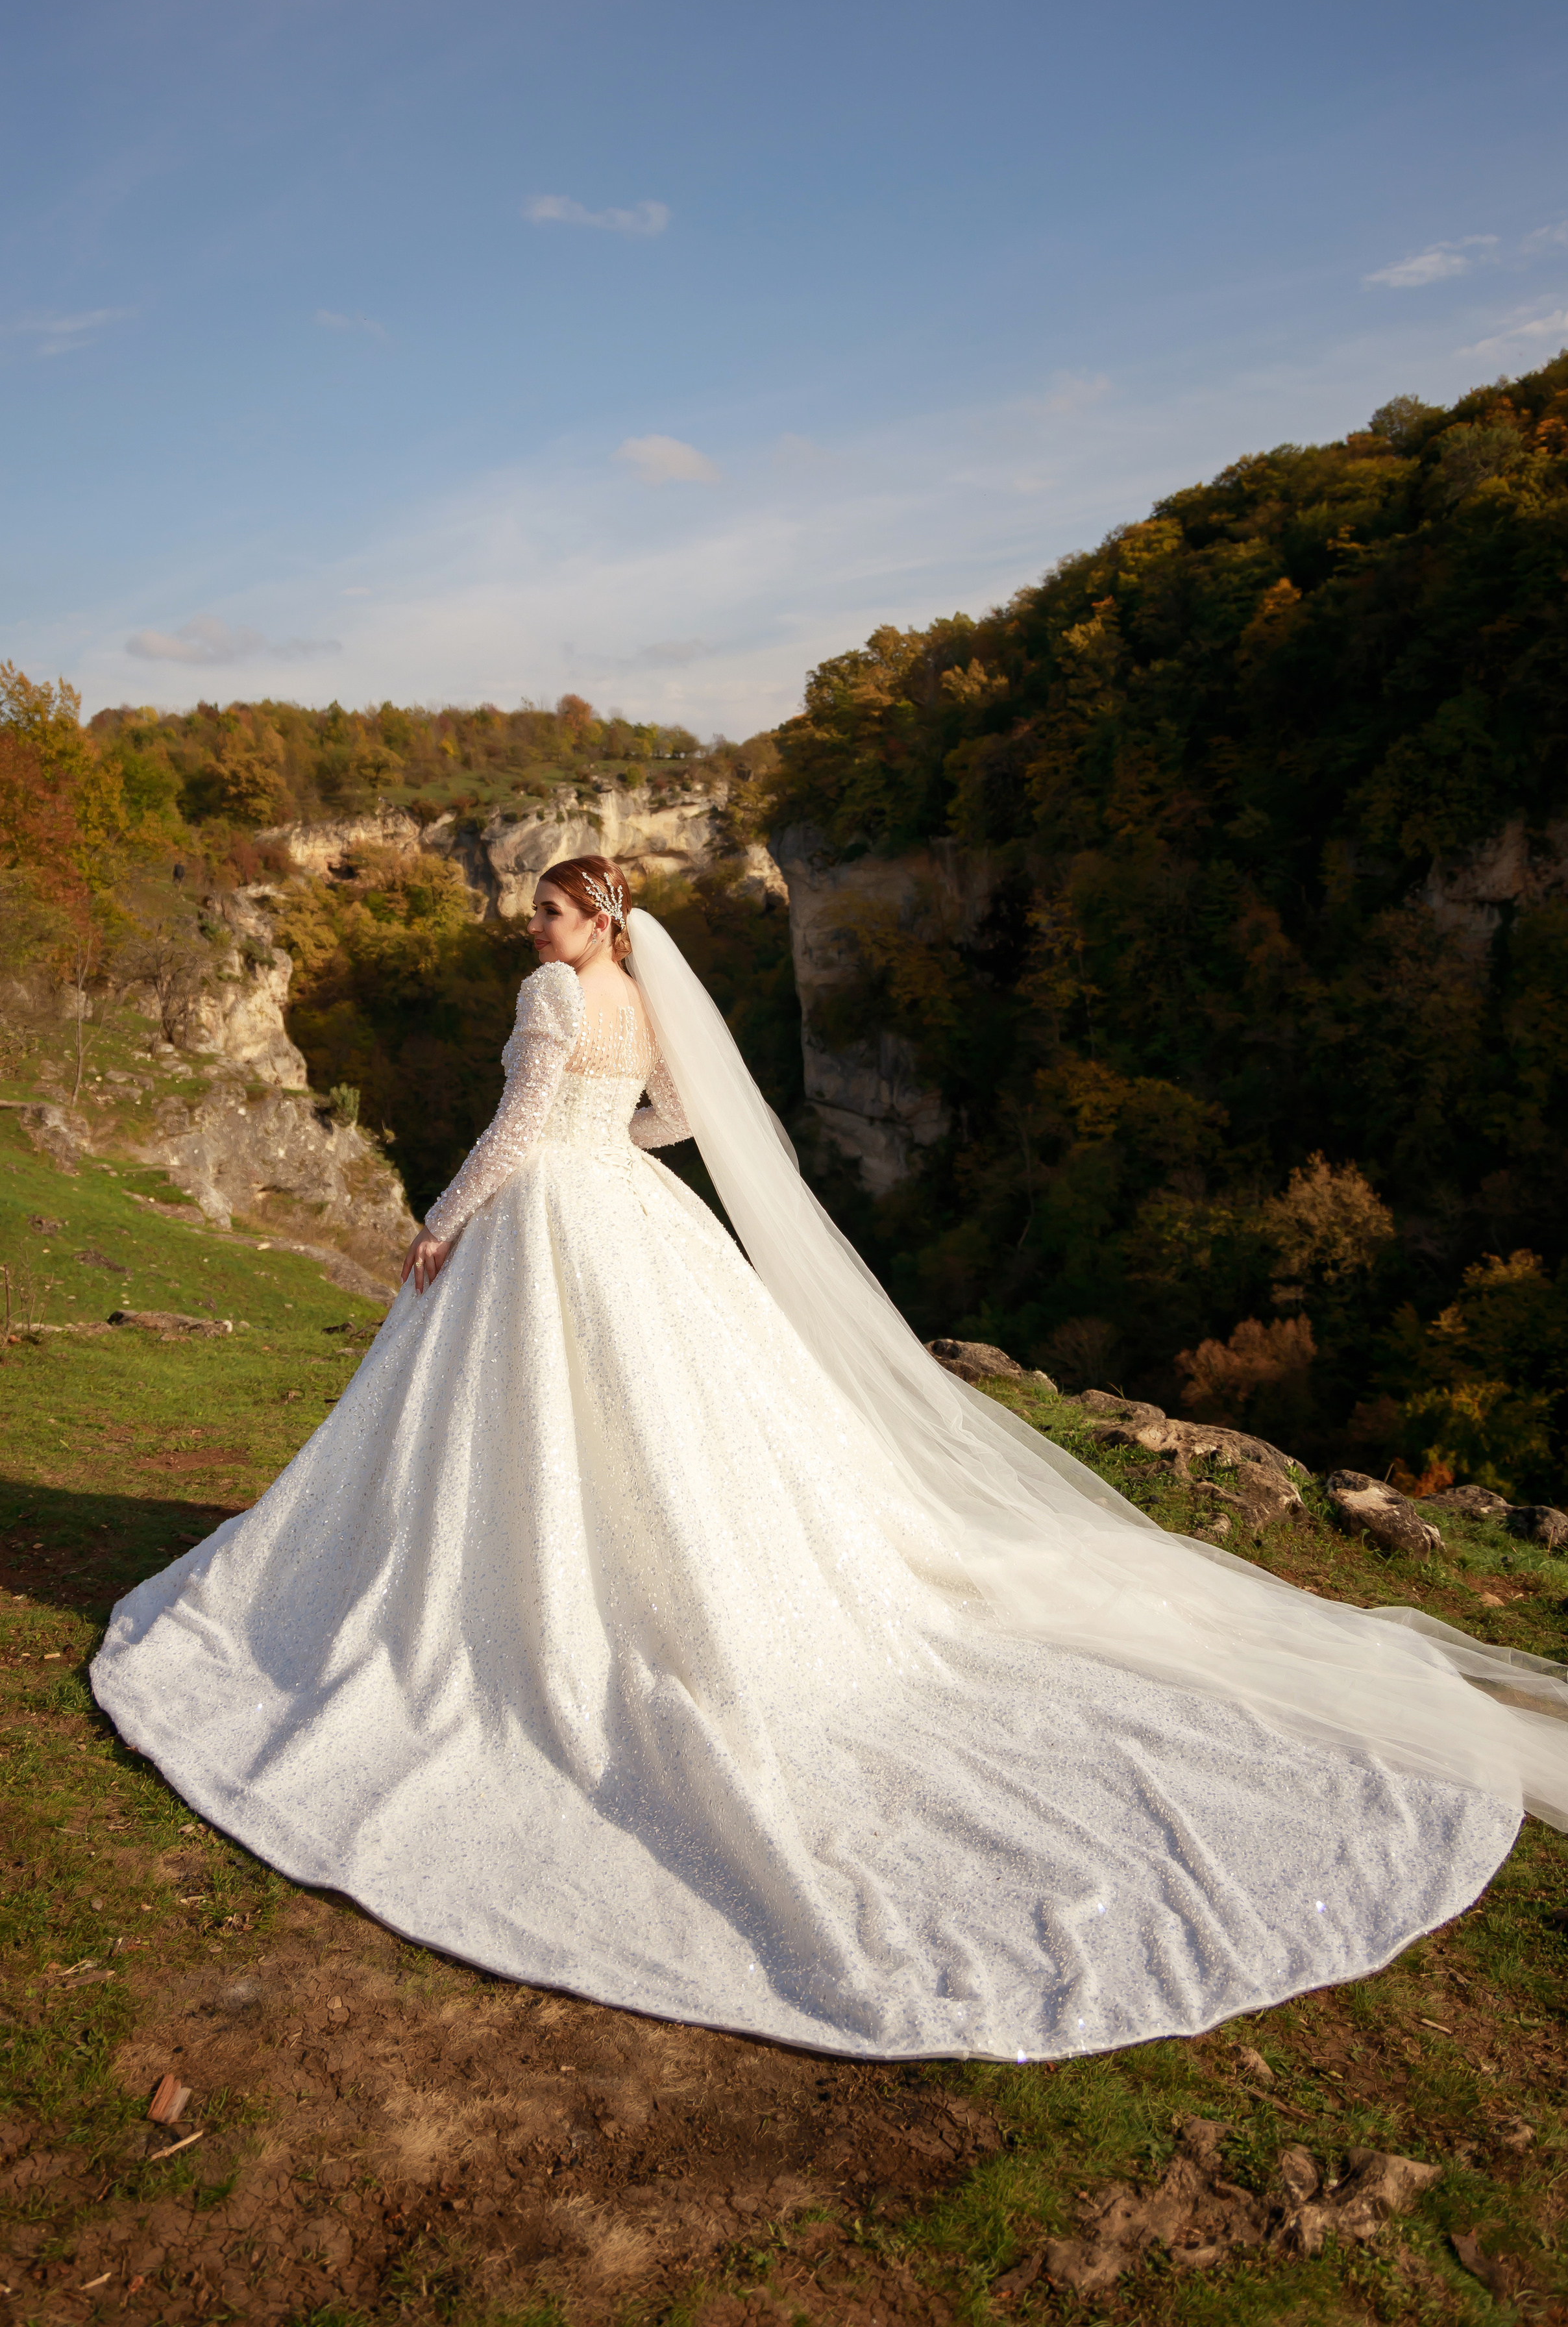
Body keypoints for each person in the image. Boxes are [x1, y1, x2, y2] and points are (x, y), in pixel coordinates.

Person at [93, 855, 1568, 2062]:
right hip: (637, 1219)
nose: (529, 926)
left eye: (547, 907)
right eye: (536, 910)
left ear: (592, 920)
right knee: (674, 1434)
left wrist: (443, 1220)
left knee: (547, 1424)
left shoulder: (552, 992)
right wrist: (619, 1152)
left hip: (555, 1220)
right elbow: (669, 1114)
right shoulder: (635, 1000)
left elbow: (518, 1122)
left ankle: (528, 1603)